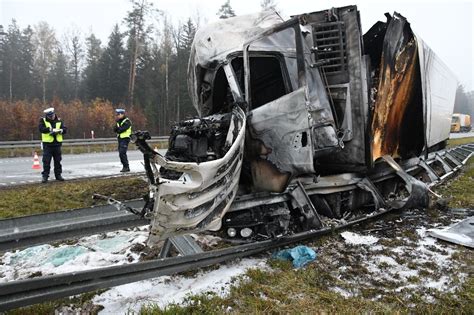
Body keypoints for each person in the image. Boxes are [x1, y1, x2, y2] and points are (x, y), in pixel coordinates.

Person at [39, 107, 67, 183]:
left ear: (54, 114)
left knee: (58, 161)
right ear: (47, 116)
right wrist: (50, 130)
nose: (51, 117)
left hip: (57, 144)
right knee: (46, 162)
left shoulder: (59, 120)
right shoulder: (43, 120)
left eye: (52, 115)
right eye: (49, 116)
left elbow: (65, 129)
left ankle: (58, 175)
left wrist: (60, 131)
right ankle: (45, 177)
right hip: (47, 145)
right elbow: (41, 129)